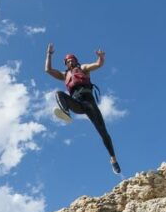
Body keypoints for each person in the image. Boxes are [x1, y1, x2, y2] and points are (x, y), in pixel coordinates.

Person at [45, 43, 121, 174]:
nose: (70, 62)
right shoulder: (64, 75)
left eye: (72, 60)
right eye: (68, 61)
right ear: (66, 64)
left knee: (103, 132)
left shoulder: (83, 68)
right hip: (77, 103)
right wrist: (49, 54)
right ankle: (66, 114)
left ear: (76, 61)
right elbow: (48, 70)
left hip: (89, 103)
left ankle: (113, 159)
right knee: (58, 94)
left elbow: (98, 64)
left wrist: (101, 57)